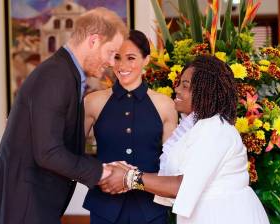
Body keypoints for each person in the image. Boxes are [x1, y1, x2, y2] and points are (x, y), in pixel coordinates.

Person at [0, 7, 128, 224]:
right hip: (25, 205)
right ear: (93, 41)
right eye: (111, 53)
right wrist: (102, 172)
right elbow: (48, 152)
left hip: (31, 201)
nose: (112, 63)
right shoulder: (56, 77)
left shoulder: (66, 73)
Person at [101, 55, 270, 224]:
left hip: (225, 215)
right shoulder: (197, 127)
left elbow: (182, 186)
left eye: (185, 85)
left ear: (205, 91)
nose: (177, 89)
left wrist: (129, 177)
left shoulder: (215, 130)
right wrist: (127, 175)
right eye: (179, 83)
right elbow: (174, 178)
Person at [83, 30, 178, 224]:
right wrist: (100, 174)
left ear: (146, 60)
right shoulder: (92, 102)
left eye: (131, 58)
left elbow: (170, 166)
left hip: (151, 210)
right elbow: (71, 152)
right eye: (117, 57)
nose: (122, 65)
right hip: (104, 207)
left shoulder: (165, 105)